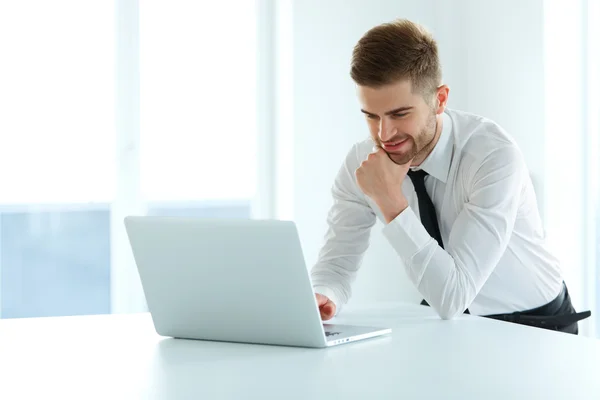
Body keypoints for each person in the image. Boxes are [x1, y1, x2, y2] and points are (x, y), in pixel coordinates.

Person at [310, 18, 590, 334]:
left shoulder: (493, 156)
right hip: (446, 317)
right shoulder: (362, 163)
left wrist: (391, 202)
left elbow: (453, 295)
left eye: (400, 114)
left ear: (440, 99)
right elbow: (336, 263)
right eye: (371, 116)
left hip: (536, 324)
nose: (384, 133)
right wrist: (324, 293)